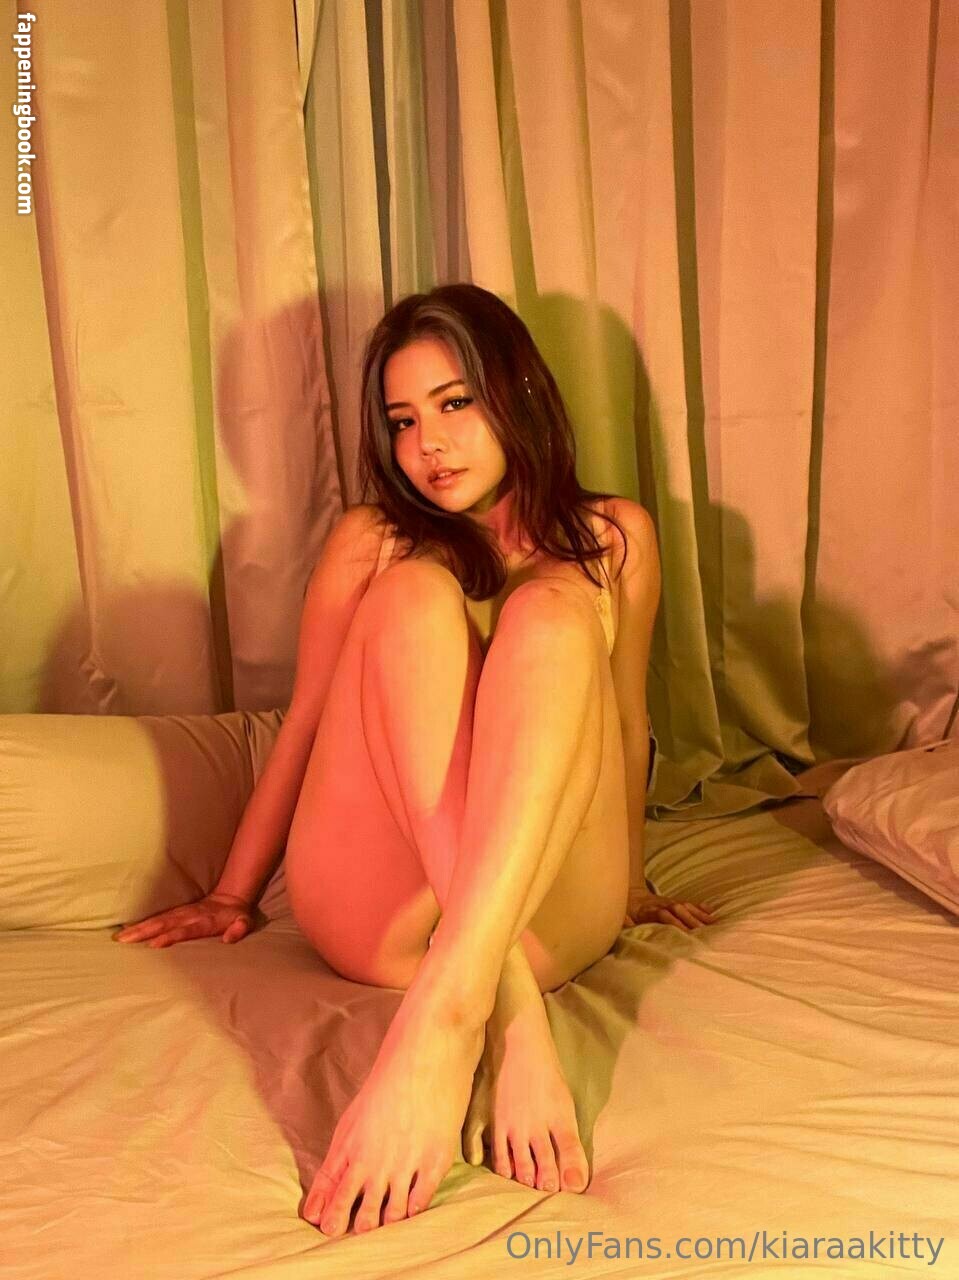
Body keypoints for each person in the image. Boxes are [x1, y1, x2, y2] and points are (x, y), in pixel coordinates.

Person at [114, 283, 715, 1237]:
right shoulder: (373, 540)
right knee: (411, 598)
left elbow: (625, 716)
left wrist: (631, 880)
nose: (427, 445)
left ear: (518, 394)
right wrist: (232, 892)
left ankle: (459, 997)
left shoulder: (613, 536)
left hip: (552, 913)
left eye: (454, 403)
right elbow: (309, 723)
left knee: (554, 610)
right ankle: (491, 1011)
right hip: (385, 913)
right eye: (402, 421)